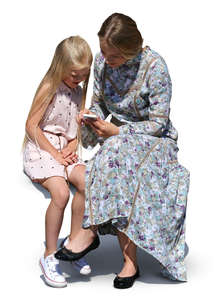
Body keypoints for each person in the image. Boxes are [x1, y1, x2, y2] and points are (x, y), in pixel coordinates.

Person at [55, 13, 190, 289]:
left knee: (116, 153)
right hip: (118, 137)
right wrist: (90, 117)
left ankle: (94, 235)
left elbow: (158, 123)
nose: (105, 59)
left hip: (156, 140)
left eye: (113, 55)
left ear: (130, 50)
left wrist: (118, 132)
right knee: (114, 156)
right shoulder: (103, 62)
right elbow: (99, 103)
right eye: (103, 52)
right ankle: (104, 242)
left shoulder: (155, 67)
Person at [23, 36, 93, 288]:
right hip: (43, 148)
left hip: (65, 148)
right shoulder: (50, 86)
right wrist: (56, 154)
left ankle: (73, 245)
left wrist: (72, 148)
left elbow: (77, 131)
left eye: (84, 76)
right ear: (61, 66)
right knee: (61, 193)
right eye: (74, 75)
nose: (79, 81)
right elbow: (31, 125)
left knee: (87, 182)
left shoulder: (79, 91)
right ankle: (49, 255)